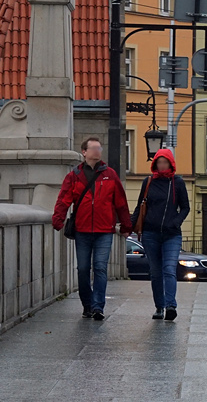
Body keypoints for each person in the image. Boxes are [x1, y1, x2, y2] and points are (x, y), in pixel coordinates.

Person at [51, 137, 132, 320]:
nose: (97, 151)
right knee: (83, 268)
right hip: (82, 230)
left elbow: (121, 203)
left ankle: (97, 307)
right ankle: (87, 303)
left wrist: (127, 226)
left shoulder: (110, 175)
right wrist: (58, 219)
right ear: (84, 152)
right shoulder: (74, 176)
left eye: (99, 148)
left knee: (100, 268)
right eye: (93, 148)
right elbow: (63, 199)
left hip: (104, 230)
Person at [134, 148, 191, 321]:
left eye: (165, 162)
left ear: (171, 163)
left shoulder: (178, 182)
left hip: (171, 234)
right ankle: (159, 307)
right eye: (159, 162)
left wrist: (176, 221)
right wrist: (130, 225)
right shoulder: (149, 182)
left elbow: (186, 207)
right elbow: (140, 206)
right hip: (151, 233)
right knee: (156, 272)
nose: (162, 165)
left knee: (169, 269)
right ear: (155, 164)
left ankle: (170, 305)